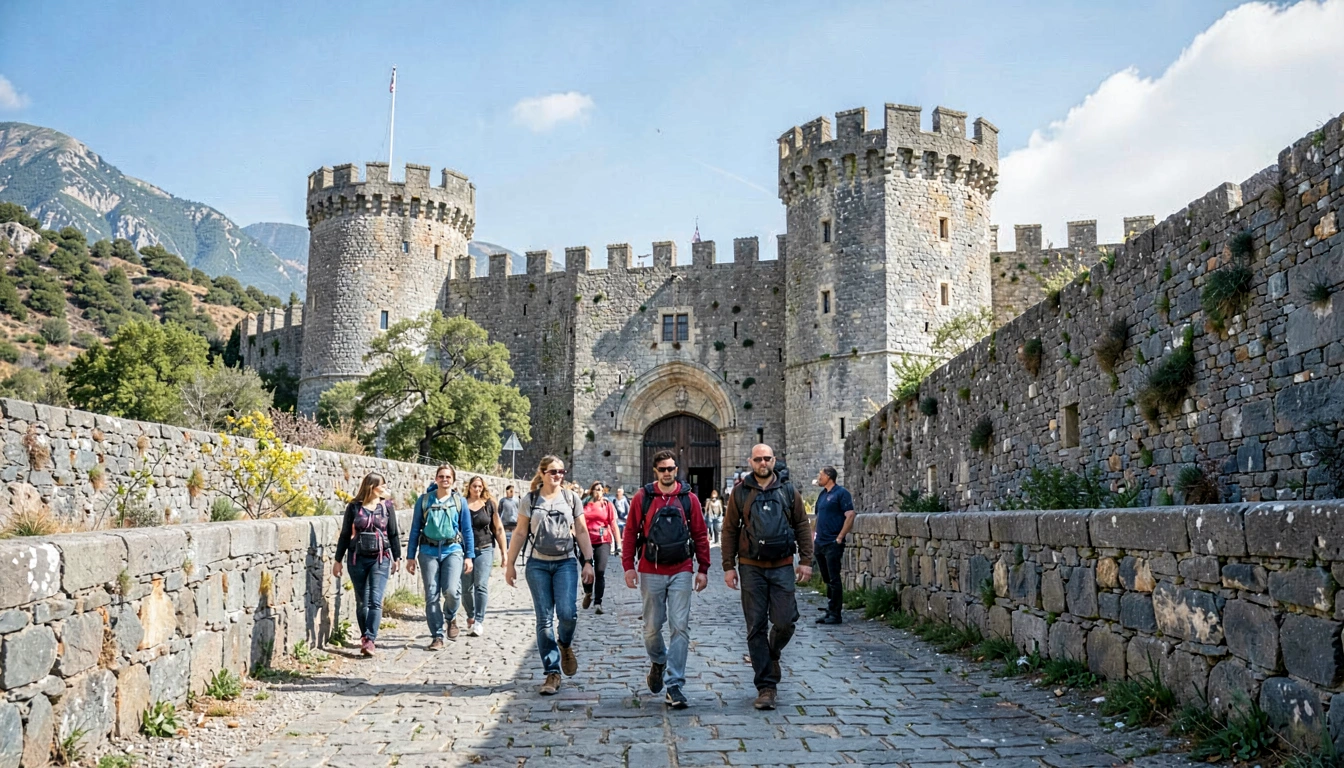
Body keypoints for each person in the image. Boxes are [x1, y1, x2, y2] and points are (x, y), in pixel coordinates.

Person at [722, 444, 813, 710]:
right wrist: (728, 566)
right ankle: (766, 687)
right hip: (750, 567)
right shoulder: (740, 494)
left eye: (767, 459)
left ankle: (773, 653)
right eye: (758, 459)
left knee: (785, 621)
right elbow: (728, 531)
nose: (763, 463)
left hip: (783, 565)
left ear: (774, 460)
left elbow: (802, 526)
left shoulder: (788, 491)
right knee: (756, 626)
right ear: (750, 462)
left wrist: (806, 561)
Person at [622, 451, 711, 709]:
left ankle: (675, 685)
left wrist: (703, 568)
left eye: (671, 468)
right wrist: (629, 566)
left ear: (676, 469)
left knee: (680, 627)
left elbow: (701, 534)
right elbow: (630, 533)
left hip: (682, 569)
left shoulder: (689, 499)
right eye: (662, 469)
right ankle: (659, 660)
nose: (667, 473)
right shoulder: (644, 498)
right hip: (651, 570)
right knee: (651, 628)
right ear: (655, 471)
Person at [504, 455, 596, 696]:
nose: (558, 476)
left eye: (561, 472)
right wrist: (510, 564)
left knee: (568, 613)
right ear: (543, 473)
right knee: (544, 621)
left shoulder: (571, 498)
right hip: (538, 565)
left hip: (565, 563)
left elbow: (583, 531)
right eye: (553, 472)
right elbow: (520, 533)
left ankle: (564, 644)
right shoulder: (530, 500)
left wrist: (588, 562)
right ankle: (552, 672)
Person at [332, 472, 402, 656]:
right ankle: (365, 637)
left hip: (381, 558)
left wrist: (397, 557)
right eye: (382, 486)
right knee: (362, 601)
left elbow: (393, 533)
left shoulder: (387, 507)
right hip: (357, 558)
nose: (385, 489)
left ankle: (370, 639)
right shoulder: (354, 507)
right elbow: (345, 534)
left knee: (375, 601)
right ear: (372, 487)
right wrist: (338, 560)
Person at [406, 464, 475, 648]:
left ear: (453, 480)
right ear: (436, 479)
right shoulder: (424, 500)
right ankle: (437, 635)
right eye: (441, 476)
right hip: (428, 551)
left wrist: (469, 556)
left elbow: (467, 531)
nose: (445, 480)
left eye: (448, 477)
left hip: (452, 549)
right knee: (431, 594)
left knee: (452, 591)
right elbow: (415, 530)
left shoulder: (460, 502)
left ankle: (451, 617)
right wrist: (410, 556)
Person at [462, 475, 508, 637]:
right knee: (466, 588)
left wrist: (504, 553)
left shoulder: (489, 505)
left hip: (485, 548)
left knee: (480, 584)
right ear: (469, 487)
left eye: (480, 487)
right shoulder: (461, 504)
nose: (477, 489)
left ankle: (479, 621)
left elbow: (499, 529)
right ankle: (471, 615)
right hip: (464, 551)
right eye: (474, 486)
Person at [813, 466, 856, 625]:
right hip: (820, 542)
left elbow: (850, 515)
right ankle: (831, 608)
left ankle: (835, 613)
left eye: (821, 474)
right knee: (826, 577)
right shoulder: (823, 495)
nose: (819, 477)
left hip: (832, 542)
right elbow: (818, 516)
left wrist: (840, 537)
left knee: (834, 577)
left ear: (829, 476)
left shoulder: (841, 494)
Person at [581, 482, 618, 614]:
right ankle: (588, 592)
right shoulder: (584, 504)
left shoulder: (607, 505)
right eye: (597, 490)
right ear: (592, 491)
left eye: (602, 490)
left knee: (600, 572)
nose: (600, 492)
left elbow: (613, 523)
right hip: (586, 542)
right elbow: (577, 521)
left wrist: (618, 544)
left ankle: (598, 603)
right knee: (586, 571)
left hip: (603, 541)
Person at [499, 485, 520, 551]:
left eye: (513, 491)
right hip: (505, 523)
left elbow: (519, 510)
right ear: (506, 491)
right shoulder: (503, 501)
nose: (511, 492)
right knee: (506, 539)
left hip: (514, 523)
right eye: (510, 491)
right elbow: (499, 511)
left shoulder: (517, 500)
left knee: (513, 539)